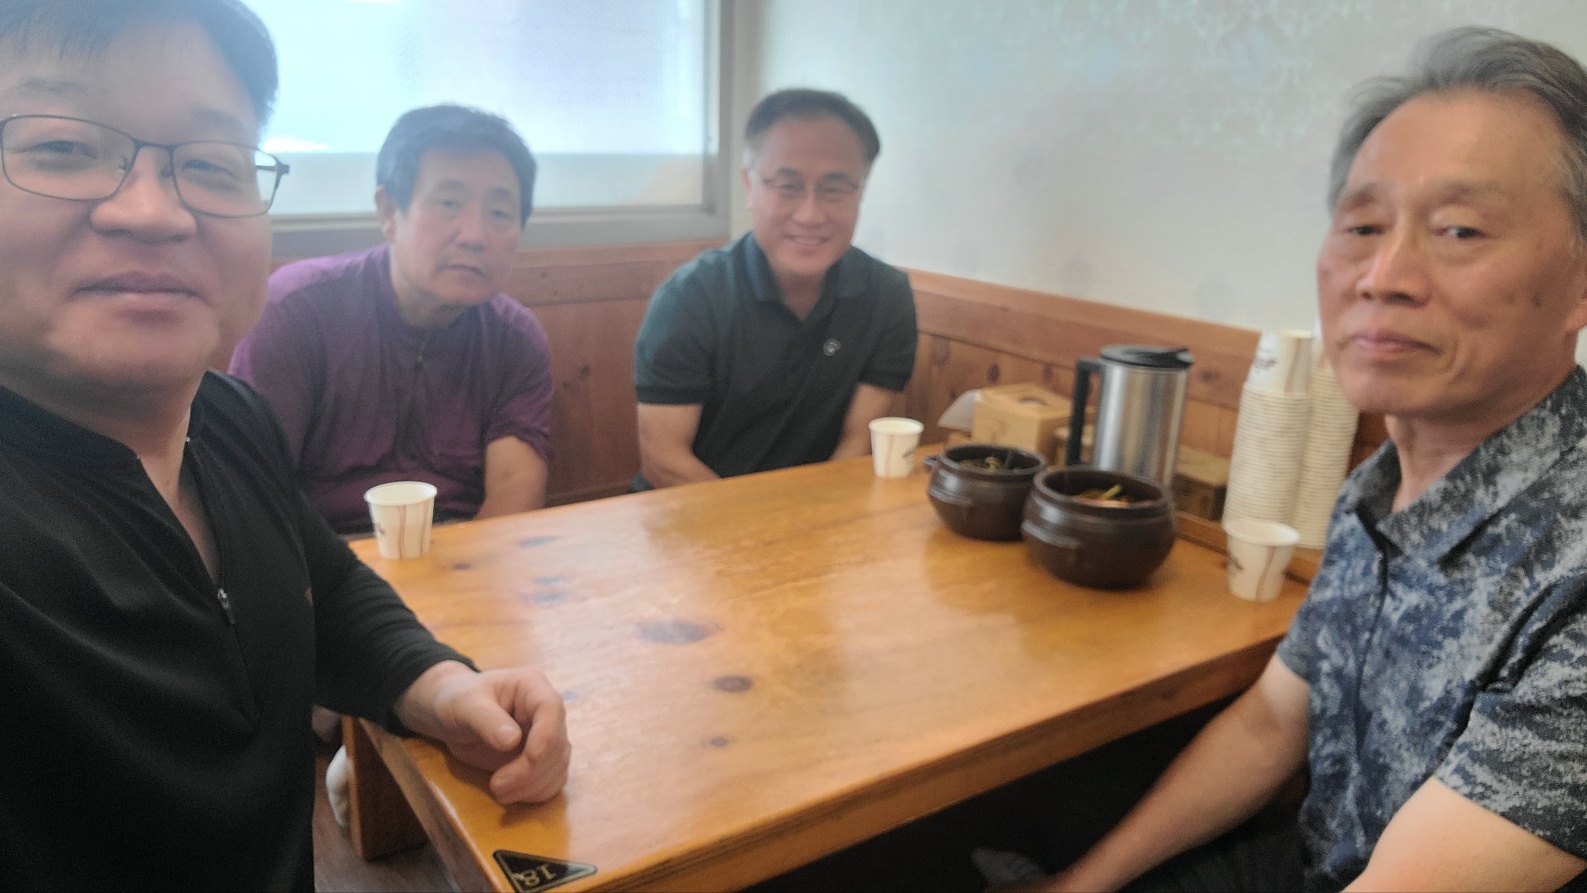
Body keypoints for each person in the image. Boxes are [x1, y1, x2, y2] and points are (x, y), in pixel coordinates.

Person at [0, 2, 569, 889]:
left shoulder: (226, 418)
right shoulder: (305, 315)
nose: (152, 210)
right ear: (387, 212)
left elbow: (322, 584)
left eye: (210, 163)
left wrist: (436, 684)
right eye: (63, 147)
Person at [1005, 26, 1587, 893]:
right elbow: (1271, 721)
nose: (1382, 274)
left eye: (1460, 228)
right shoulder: (1377, 486)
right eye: (1362, 224)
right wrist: (1074, 888)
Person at [230, 103, 552, 534]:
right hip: (318, 557)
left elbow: (516, 489)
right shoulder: (297, 310)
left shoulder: (515, 338)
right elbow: (250, 492)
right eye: (448, 203)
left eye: (499, 213)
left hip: (466, 548)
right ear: (388, 212)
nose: (475, 236)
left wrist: (468, 568)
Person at [631, 88, 917, 490]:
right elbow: (665, 461)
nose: (810, 215)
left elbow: (857, 443)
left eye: (834, 189)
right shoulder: (689, 299)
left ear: (861, 192)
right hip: (694, 510)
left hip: (818, 507)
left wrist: (811, 520)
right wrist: (767, 527)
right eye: (787, 185)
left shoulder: (887, 296)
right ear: (750, 186)